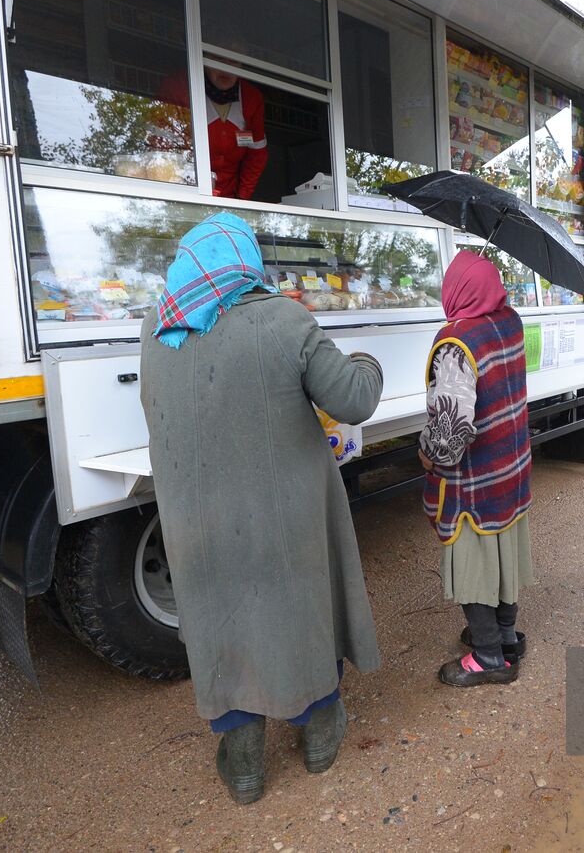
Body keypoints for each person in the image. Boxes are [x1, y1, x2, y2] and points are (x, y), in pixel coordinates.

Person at [138, 213, 383, 804]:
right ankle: (320, 731)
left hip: (195, 525)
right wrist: (366, 362)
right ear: (246, 262)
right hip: (281, 519)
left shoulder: (157, 327)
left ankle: (243, 760)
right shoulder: (283, 320)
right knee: (296, 614)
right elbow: (354, 399)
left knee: (221, 620)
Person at [419, 250, 535, 687]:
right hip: (510, 469)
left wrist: (427, 454)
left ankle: (489, 657)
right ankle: (506, 636)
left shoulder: (455, 344)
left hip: (473, 482)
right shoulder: (510, 321)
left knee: (471, 566)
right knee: (503, 558)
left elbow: (451, 435)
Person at [157, 66, 268, 200]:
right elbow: (163, 152)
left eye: (233, 60)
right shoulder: (179, 87)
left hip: (230, 197)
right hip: (187, 191)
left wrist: (242, 198)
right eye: (219, 58)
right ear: (204, 58)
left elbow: (256, 156)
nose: (226, 68)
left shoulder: (251, 98)